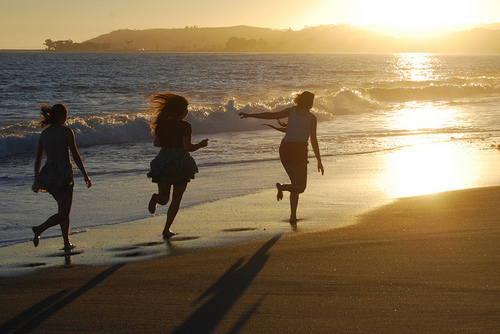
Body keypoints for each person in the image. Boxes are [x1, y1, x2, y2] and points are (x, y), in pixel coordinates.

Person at [239, 91, 324, 225]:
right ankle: (282, 188)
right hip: (298, 150)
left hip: (284, 148)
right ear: (311, 103)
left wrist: (250, 115)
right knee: (300, 187)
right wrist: (319, 160)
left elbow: (271, 115)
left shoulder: (292, 111)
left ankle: (293, 216)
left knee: (295, 185)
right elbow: (314, 140)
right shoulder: (311, 118)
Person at [147, 93, 208, 239]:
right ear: (182, 111)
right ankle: (166, 229)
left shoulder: (162, 124)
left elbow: (157, 144)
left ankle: (155, 198)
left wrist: (169, 141)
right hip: (180, 162)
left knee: (164, 198)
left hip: (164, 160)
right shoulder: (185, 126)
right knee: (176, 199)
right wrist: (201, 145)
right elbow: (188, 147)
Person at [32, 103, 92, 252]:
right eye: (65, 116)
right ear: (61, 116)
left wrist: (37, 179)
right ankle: (39, 229)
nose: (66, 119)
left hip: (49, 176)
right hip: (64, 176)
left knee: (63, 210)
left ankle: (66, 244)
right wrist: (85, 175)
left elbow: (38, 159)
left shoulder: (44, 134)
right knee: (64, 212)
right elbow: (75, 155)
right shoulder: (66, 131)